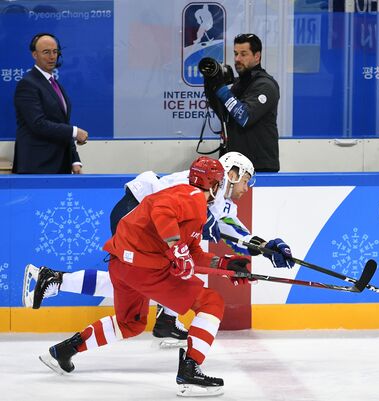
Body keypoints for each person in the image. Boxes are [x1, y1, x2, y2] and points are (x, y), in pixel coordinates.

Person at [24, 152, 294, 347]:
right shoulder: (195, 180)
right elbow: (164, 206)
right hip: (135, 215)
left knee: (142, 278)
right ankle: (57, 280)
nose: (246, 188)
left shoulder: (219, 200)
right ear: (231, 174)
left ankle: (58, 281)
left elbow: (233, 230)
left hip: (146, 228)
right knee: (142, 276)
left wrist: (265, 246)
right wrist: (202, 228)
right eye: (245, 180)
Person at [38, 156, 251, 396]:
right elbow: (162, 213)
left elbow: (193, 252)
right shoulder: (192, 197)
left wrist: (225, 264)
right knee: (211, 303)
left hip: (124, 266)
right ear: (214, 184)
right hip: (143, 268)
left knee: (130, 323)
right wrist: (175, 247)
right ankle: (190, 371)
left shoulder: (188, 201)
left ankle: (63, 351)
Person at [12, 33, 88, 174]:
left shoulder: (53, 83)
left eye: (55, 52)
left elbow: (62, 122)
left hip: (59, 165)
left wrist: (74, 159)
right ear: (35, 55)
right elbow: (38, 124)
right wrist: (75, 132)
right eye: (46, 52)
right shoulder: (27, 84)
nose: (52, 57)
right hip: (37, 166)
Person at [205, 33, 280, 172]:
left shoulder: (266, 85)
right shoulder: (239, 84)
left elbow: (244, 117)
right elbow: (225, 116)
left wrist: (221, 89)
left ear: (257, 56)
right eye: (235, 53)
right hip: (235, 166)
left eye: (243, 54)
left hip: (259, 167)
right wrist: (211, 86)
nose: (237, 59)